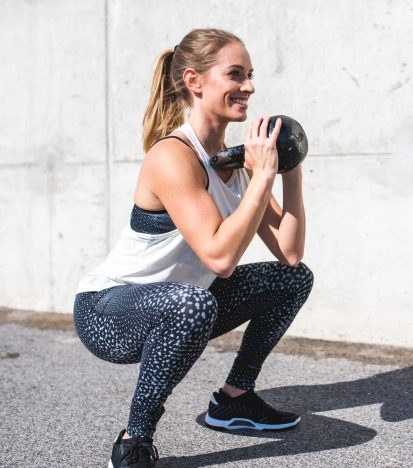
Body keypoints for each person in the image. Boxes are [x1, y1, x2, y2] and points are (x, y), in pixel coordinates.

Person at [71, 28, 313, 468]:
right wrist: (262, 177)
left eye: (251, 75)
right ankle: (133, 441)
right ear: (194, 81)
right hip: (107, 310)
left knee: (293, 279)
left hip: (185, 302)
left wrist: (289, 168)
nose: (249, 87)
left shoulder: (240, 163)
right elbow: (220, 258)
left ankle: (234, 399)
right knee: (193, 302)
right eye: (235, 74)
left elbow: (290, 253)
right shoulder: (172, 155)